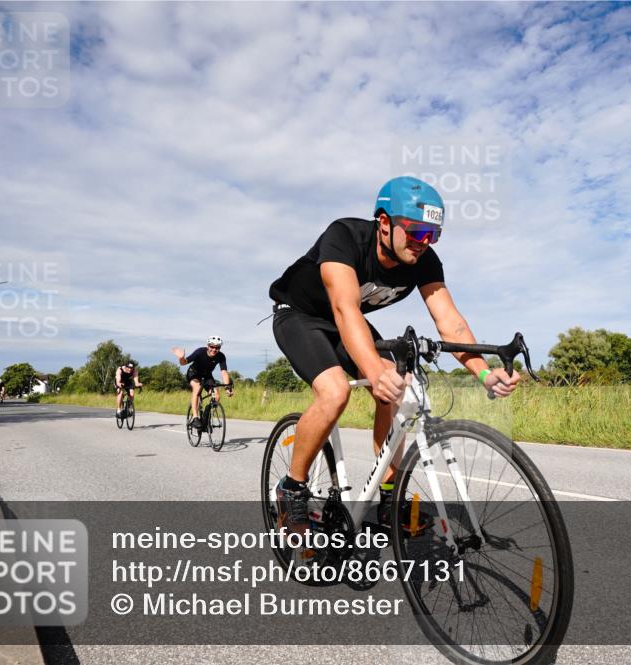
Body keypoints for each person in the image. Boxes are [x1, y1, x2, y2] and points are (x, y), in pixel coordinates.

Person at [268, 176, 521, 534]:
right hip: (300, 315)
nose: (425, 242)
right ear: (384, 223)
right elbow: (345, 309)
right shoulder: (345, 237)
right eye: (417, 231)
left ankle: (388, 496)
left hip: (344, 321)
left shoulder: (424, 260)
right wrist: (374, 370)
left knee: (397, 388)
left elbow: (450, 323)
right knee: (336, 390)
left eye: (434, 233)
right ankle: (291, 488)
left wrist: (483, 373)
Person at [172, 336, 233, 428]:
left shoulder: (221, 356)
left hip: (207, 375)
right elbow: (184, 362)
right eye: (212, 347)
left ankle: (206, 416)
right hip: (194, 374)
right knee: (197, 388)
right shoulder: (200, 352)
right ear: (208, 346)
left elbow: (224, 372)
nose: (214, 349)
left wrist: (227, 387)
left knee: (216, 396)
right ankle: (195, 418)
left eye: (217, 348)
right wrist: (181, 357)